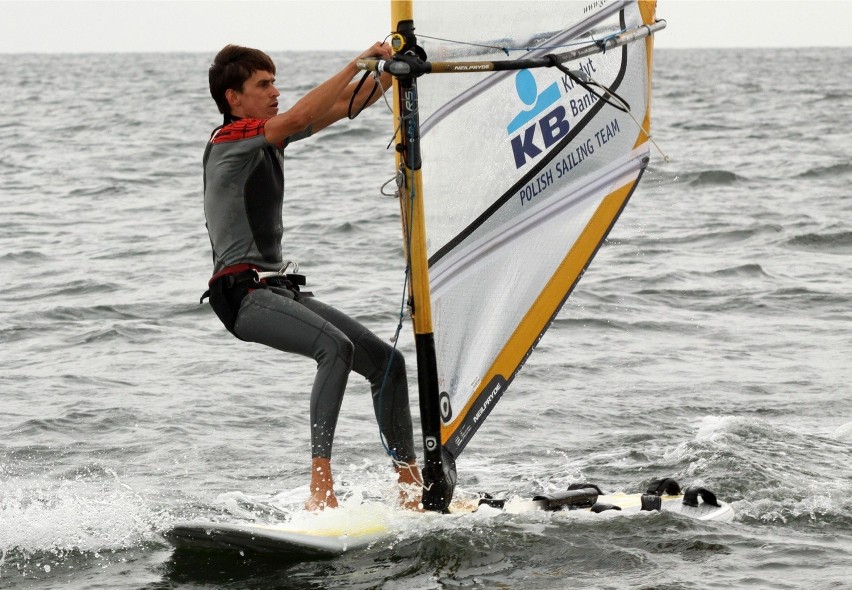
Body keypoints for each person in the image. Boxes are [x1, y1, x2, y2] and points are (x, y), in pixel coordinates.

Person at [203, 43, 421, 511]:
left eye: (275, 82)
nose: (275, 92)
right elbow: (302, 115)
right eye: (264, 85)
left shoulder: (270, 137)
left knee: (388, 365)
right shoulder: (230, 140)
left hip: (272, 289)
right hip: (239, 296)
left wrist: (393, 74)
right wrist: (355, 64)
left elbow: (346, 106)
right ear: (233, 98)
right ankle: (320, 488)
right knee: (334, 348)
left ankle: (410, 488)